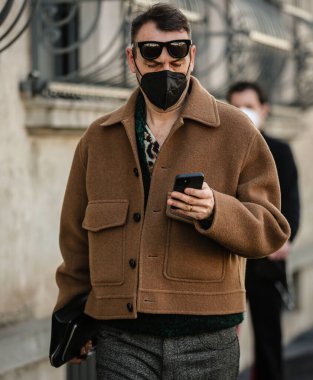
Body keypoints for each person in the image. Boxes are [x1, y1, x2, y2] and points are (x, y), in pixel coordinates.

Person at [54, 4, 290, 379]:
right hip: (121, 339)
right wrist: (71, 312)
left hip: (207, 339)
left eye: (177, 50)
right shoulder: (97, 140)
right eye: (151, 52)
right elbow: (75, 239)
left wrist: (216, 210)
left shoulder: (237, 132)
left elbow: (271, 229)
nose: (165, 63)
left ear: (192, 55)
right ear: (132, 58)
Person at [227, 81, 300, 380]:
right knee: (225, 342)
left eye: (249, 106)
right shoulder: (223, 151)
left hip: (267, 262)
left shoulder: (281, 151)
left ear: (264, 110)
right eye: (236, 106)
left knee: (269, 341)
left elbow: (292, 204)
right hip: (229, 263)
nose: (243, 113)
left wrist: (285, 240)